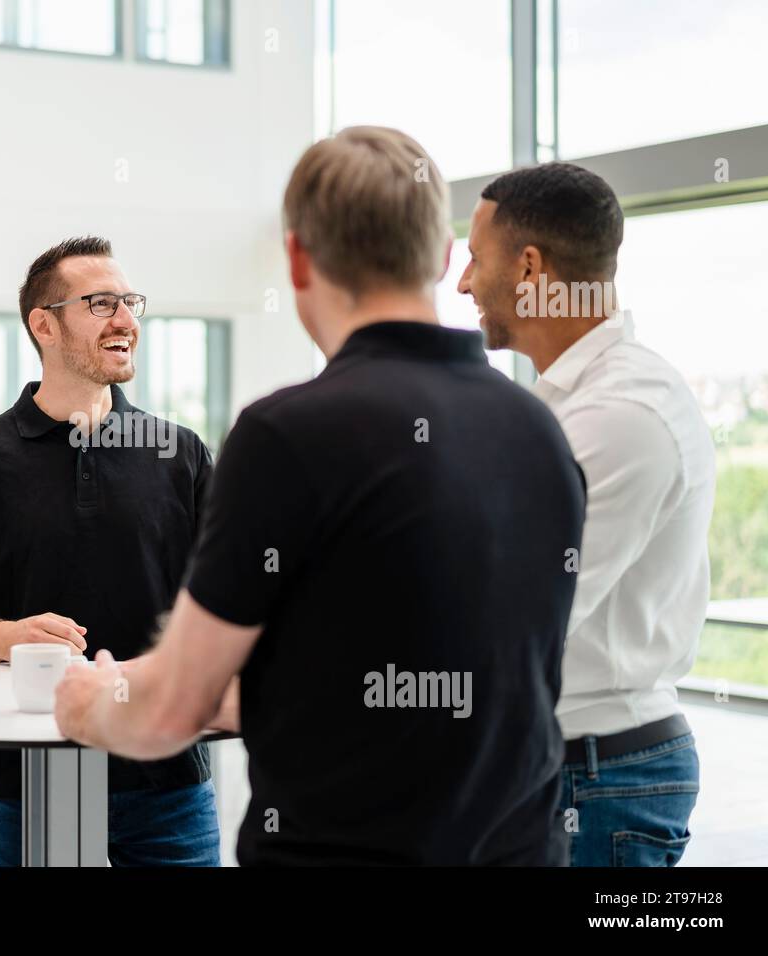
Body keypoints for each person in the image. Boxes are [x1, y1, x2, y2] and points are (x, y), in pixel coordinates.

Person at [55, 128, 586, 866]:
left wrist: (89, 701)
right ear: (437, 256)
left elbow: (170, 709)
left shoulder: (287, 435)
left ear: (299, 258)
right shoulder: (539, 428)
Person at [0, 236, 221, 866]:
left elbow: (222, 607)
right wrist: (3, 636)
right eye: (102, 304)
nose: (127, 320)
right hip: (41, 771)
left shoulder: (180, 454)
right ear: (43, 325)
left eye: (131, 303)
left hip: (168, 768)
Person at [457, 162, 715, 866]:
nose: (463, 283)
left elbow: (513, 611)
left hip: (599, 784)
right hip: (567, 770)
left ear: (530, 266)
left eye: (475, 258)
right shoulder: (563, 403)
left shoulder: (621, 415)